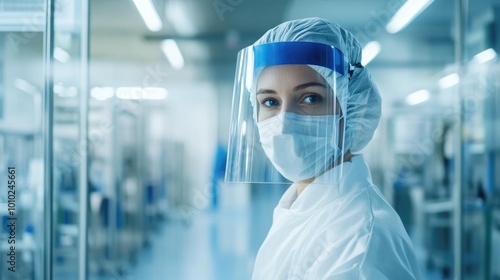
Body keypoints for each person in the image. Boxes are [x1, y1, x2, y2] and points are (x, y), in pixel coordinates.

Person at [225, 17, 421, 279]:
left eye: (310, 98)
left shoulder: (359, 246)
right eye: (270, 101)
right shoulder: (304, 207)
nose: (283, 123)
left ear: (352, 109)